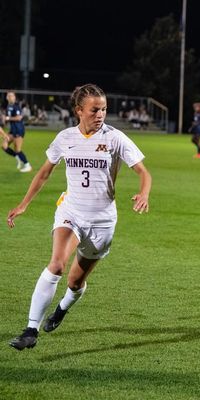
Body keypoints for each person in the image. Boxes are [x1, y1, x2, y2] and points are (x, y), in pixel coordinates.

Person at [6, 83, 152, 351]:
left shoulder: (115, 138)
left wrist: (143, 193)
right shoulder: (65, 138)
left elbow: (144, 172)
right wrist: (24, 204)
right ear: (79, 111)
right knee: (57, 265)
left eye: (104, 109)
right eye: (95, 109)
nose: (101, 114)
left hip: (102, 221)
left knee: (75, 282)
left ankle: (62, 309)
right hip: (71, 211)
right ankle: (30, 329)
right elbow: (44, 173)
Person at [2, 91, 32, 172]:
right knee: (4, 146)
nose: (10, 97)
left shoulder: (16, 106)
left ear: (14, 97)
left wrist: (8, 118)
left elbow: (19, 118)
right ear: (6, 97)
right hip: (12, 130)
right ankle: (17, 158)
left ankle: (27, 165)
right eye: (9, 96)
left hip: (19, 129)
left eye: (12, 96)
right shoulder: (8, 106)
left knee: (17, 149)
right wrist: (4, 120)